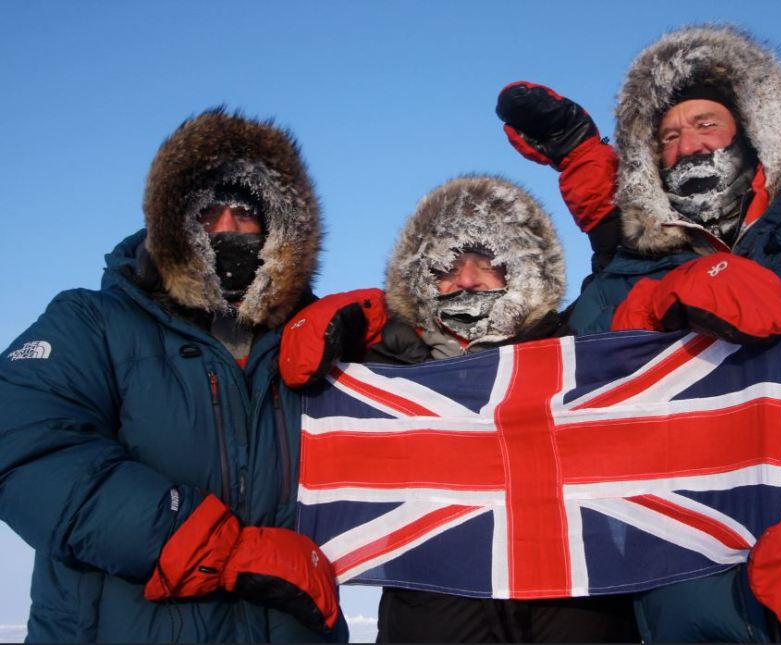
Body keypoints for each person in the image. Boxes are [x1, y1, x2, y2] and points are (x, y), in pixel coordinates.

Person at [498, 25, 781, 642]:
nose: (689, 145)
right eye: (668, 135)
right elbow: (551, 399)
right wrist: (645, 310)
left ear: (753, 127)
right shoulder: (627, 275)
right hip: (692, 608)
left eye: (706, 123)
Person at [0, 108, 347, 642]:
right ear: (175, 222)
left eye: (246, 212)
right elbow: (22, 446)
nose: (228, 228)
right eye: (208, 212)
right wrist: (217, 548)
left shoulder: (323, 347)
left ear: (280, 229)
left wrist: (390, 333)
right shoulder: (93, 322)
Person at [280, 174, 640, 642]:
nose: (466, 279)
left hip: (576, 608)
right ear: (423, 283)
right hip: (429, 614)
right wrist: (346, 329)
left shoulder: (574, 353)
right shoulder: (385, 373)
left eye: (486, 261)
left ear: (520, 273)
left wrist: (582, 165)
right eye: (448, 265)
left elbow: (626, 271)